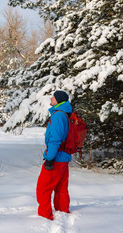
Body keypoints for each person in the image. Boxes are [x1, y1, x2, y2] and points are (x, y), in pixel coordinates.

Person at [36, 90, 73, 220]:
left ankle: (44, 215)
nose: (51, 98)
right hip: (64, 157)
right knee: (61, 187)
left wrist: (50, 158)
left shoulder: (58, 116)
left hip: (56, 158)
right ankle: (62, 211)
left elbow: (55, 139)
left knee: (43, 188)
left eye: (53, 97)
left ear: (59, 100)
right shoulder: (65, 114)